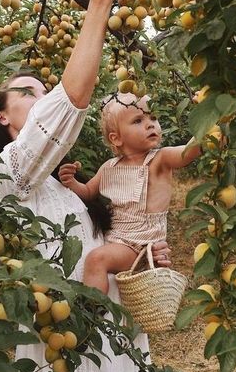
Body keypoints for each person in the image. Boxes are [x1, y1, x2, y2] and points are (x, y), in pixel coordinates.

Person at [0, 0, 171, 372]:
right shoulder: (6, 173)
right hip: (61, 345)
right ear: (2, 117)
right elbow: (67, 105)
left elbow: (112, 246)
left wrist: (146, 255)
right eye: (27, 91)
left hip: (113, 334)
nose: (40, 95)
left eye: (43, 89)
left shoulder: (63, 188)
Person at [58, 92, 203, 293]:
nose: (150, 124)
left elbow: (189, 152)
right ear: (116, 138)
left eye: (153, 117)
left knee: (96, 259)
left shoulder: (160, 159)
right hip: (117, 239)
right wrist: (71, 182)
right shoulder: (109, 167)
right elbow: (88, 192)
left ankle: (92, 312)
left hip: (140, 244)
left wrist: (208, 118)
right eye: (138, 120)